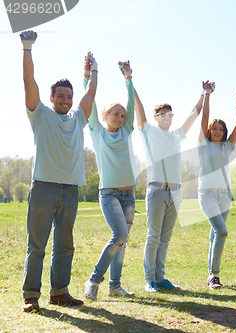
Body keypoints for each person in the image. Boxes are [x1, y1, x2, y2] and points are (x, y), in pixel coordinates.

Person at [20, 30, 97, 312]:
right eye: (61, 96)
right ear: (51, 98)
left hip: (71, 189)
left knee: (65, 245)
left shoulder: (78, 119)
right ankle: (31, 296)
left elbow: (90, 93)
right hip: (43, 187)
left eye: (69, 96)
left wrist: (93, 70)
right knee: (37, 245)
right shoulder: (40, 114)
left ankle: (59, 292)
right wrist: (27, 48)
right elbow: (29, 81)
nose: (66, 100)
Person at [136, 81, 204, 293]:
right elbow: (138, 108)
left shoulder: (177, 135)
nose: (167, 118)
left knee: (165, 238)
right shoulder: (149, 131)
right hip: (156, 190)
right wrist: (130, 82)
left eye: (170, 115)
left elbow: (194, 113)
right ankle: (149, 280)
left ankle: (160, 277)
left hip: (176, 192)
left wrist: (204, 92)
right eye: (163, 115)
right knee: (153, 235)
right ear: (156, 117)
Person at [83, 61, 138, 300]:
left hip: (129, 194)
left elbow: (132, 106)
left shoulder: (126, 130)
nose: (120, 117)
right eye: (116, 114)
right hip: (109, 193)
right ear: (106, 114)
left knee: (122, 241)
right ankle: (94, 281)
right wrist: (88, 75)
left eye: (122, 115)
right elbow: (91, 103)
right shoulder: (97, 130)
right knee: (120, 235)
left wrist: (128, 79)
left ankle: (115, 286)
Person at [198, 82, 236, 289]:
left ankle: (210, 273)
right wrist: (207, 95)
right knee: (222, 232)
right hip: (207, 194)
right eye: (214, 129)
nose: (217, 131)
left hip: (224, 196)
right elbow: (204, 118)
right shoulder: (203, 145)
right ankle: (214, 275)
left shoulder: (228, 147)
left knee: (215, 234)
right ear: (209, 131)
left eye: (221, 129)